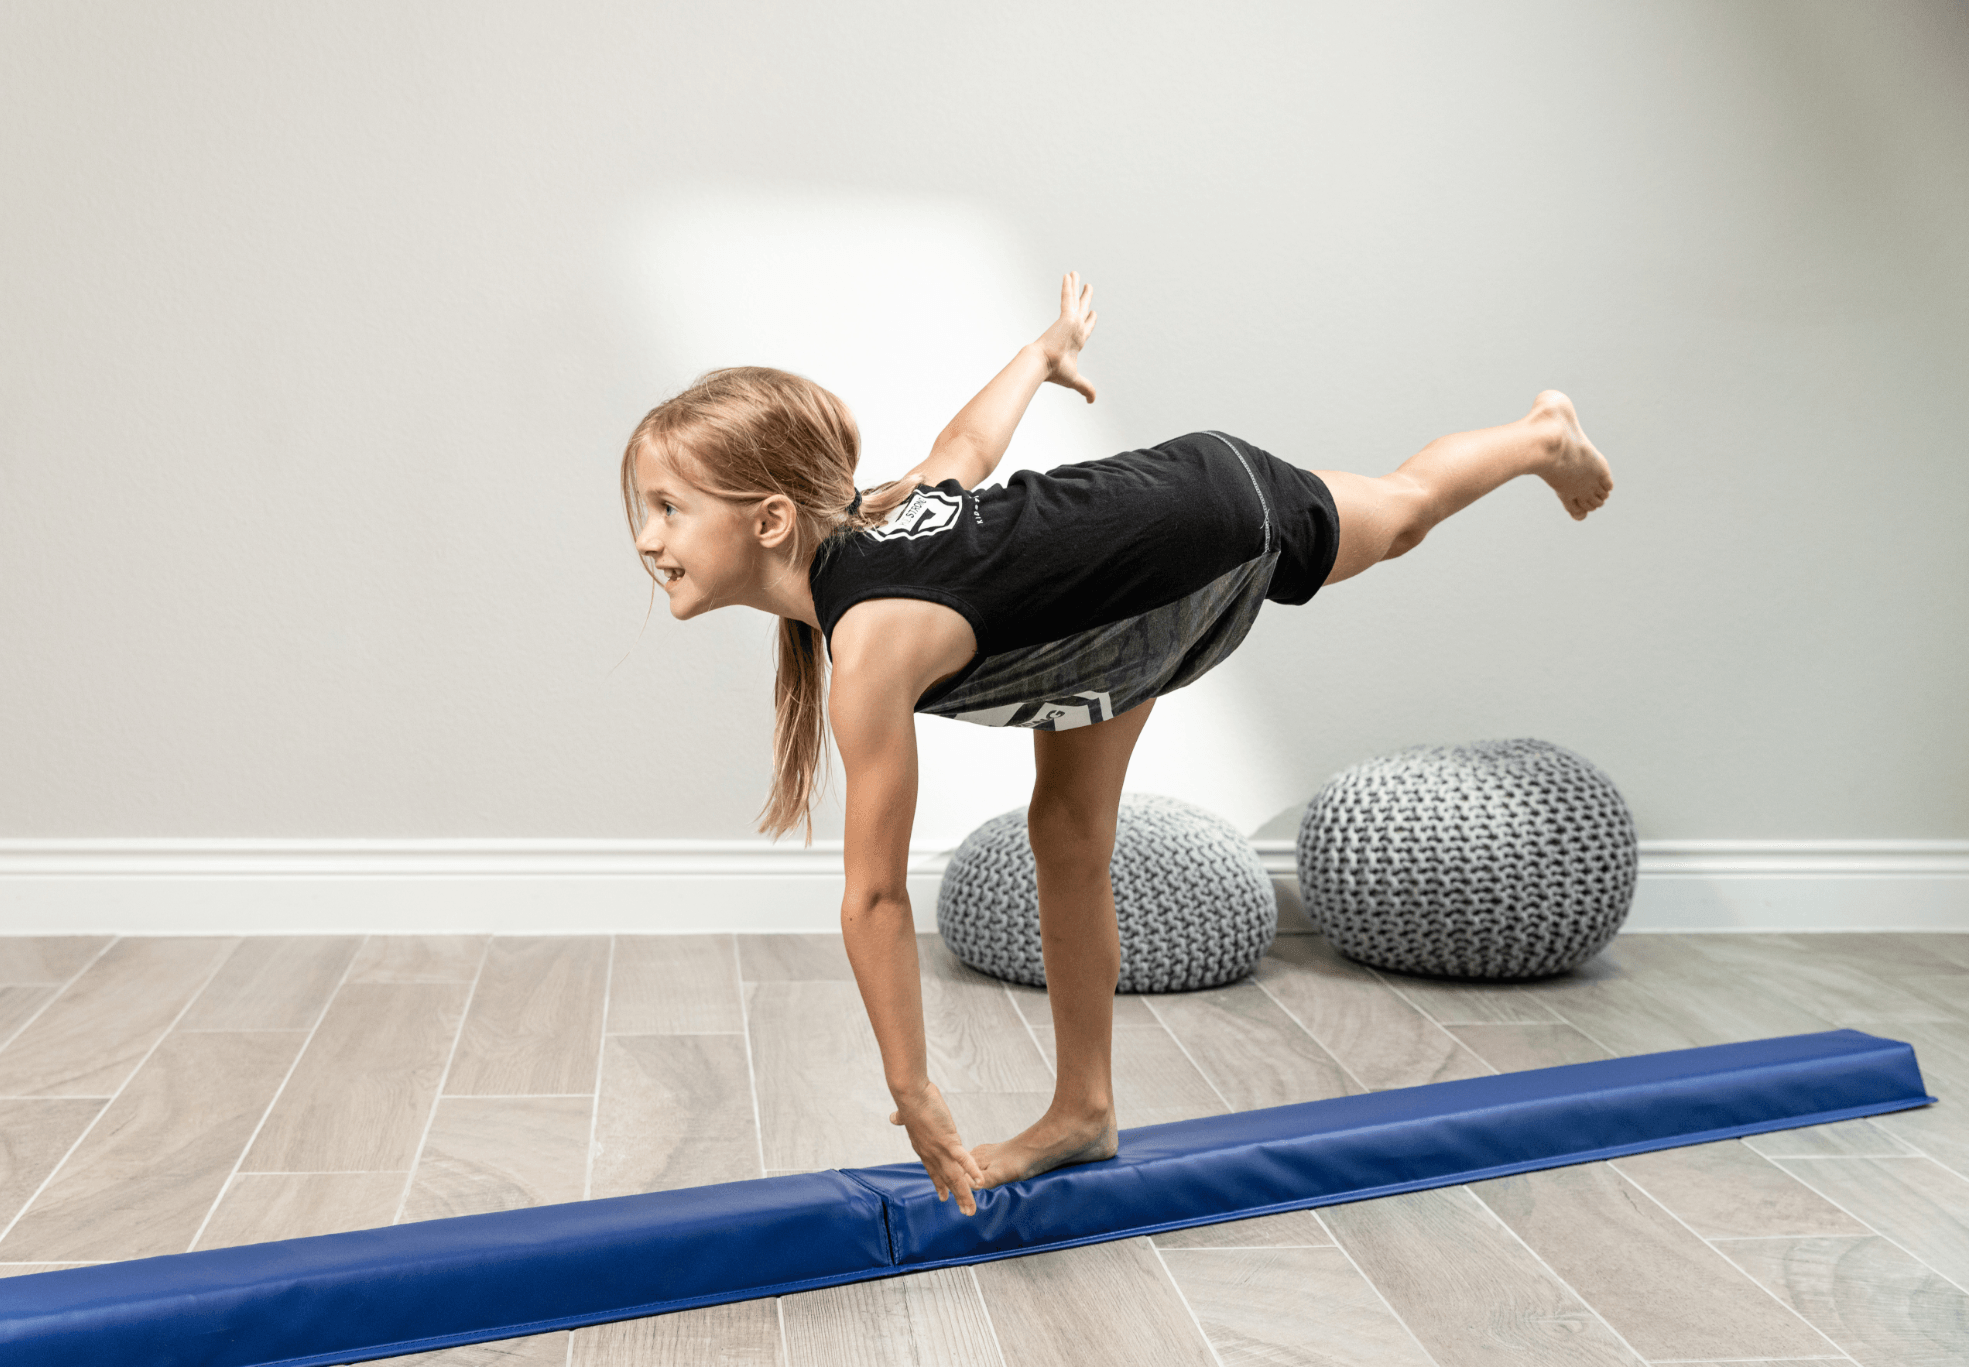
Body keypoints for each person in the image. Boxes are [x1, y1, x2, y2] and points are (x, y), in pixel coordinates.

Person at [619, 272, 1613, 1216]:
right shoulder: (871, 521)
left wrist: (912, 1089)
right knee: (1066, 833)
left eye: (669, 509)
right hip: (1093, 624)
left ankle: (1540, 434)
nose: (646, 538)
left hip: (1204, 516)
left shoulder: (870, 643)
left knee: (1400, 515)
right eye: (646, 511)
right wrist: (1039, 355)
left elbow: (875, 897)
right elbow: (964, 444)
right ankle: (1084, 1113)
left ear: (771, 519)